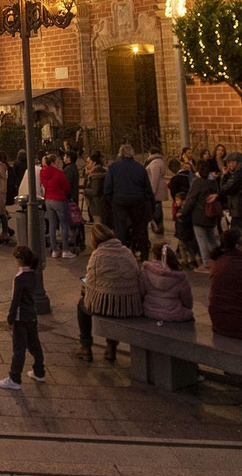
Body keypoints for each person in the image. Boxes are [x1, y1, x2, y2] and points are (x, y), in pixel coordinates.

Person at [73, 222, 142, 363]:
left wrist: (86, 290)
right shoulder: (127, 252)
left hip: (107, 305)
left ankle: (85, 346)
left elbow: (91, 286)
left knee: (83, 305)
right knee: (113, 300)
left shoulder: (97, 255)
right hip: (128, 304)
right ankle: (111, 347)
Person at [0, 245, 46, 390]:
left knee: (19, 348)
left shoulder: (19, 278)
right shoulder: (34, 275)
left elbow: (15, 300)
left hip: (20, 317)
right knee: (35, 345)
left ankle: (15, 378)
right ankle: (39, 371)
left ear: (19, 260)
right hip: (31, 315)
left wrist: (10, 319)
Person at [102, 144, 154, 259]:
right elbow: (147, 188)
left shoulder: (113, 167)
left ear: (120, 153)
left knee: (120, 228)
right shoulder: (140, 167)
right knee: (140, 228)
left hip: (119, 199)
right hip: (137, 199)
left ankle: (121, 254)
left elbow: (107, 187)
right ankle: (144, 254)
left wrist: (111, 200)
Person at [178, 159, 221, 275]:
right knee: (211, 237)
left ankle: (206, 263)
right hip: (212, 214)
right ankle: (220, 258)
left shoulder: (197, 182)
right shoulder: (213, 182)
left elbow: (191, 199)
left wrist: (183, 211)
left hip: (199, 215)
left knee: (202, 239)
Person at [140, 244, 194, 323]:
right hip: (174, 313)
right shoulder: (179, 277)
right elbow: (188, 301)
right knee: (188, 313)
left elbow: (141, 292)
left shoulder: (146, 271)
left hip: (149, 310)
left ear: (154, 256)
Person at [39, 153, 72, 257]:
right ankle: (65, 250)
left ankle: (54, 250)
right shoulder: (59, 173)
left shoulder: (42, 173)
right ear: (53, 163)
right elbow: (66, 187)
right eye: (57, 162)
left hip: (48, 199)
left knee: (52, 225)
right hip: (59, 199)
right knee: (64, 224)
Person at [144, 152, 167, 237]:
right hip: (159, 188)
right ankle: (158, 225)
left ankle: (157, 226)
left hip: (156, 189)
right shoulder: (159, 160)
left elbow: (154, 178)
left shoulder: (155, 163)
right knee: (158, 206)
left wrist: (152, 191)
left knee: (156, 208)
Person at [83, 151, 107, 229]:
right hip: (99, 204)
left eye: (88, 162)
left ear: (94, 163)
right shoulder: (97, 172)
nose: (87, 165)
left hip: (97, 204)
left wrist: (85, 191)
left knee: (99, 227)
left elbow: (95, 191)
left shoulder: (95, 174)